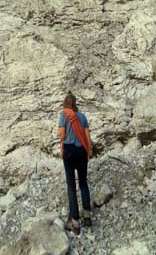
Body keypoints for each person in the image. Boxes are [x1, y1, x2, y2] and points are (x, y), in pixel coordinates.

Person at [57, 91, 92, 234]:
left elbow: (61, 135)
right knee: (83, 183)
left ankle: (75, 222)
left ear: (66, 103)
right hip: (82, 151)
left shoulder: (63, 115)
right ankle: (88, 218)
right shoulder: (82, 117)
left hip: (69, 151)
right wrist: (88, 151)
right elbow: (88, 136)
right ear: (75, 103)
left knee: (71, 186)